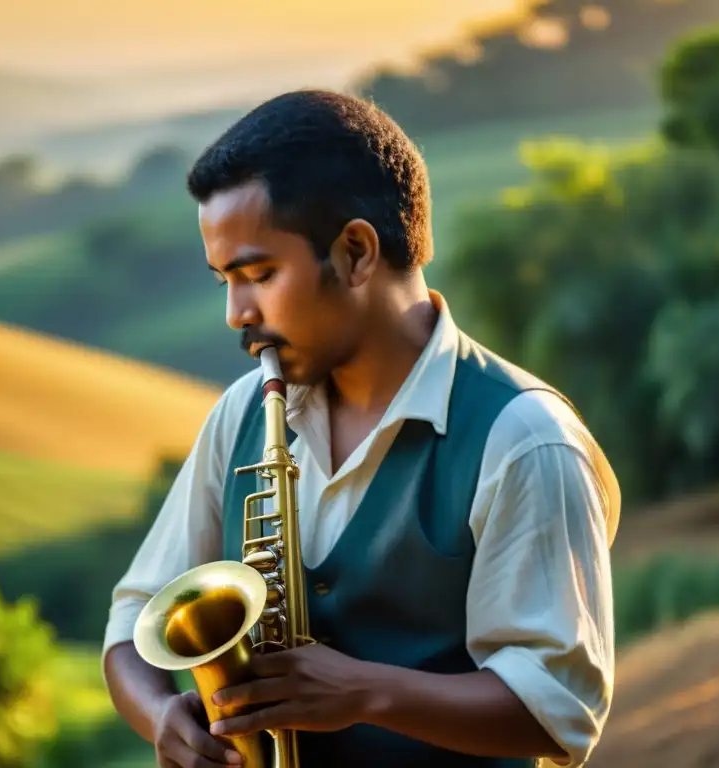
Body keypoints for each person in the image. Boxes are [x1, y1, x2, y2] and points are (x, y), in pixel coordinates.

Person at [102, 89, 621, 768]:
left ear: (355, 252)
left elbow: (561, 710)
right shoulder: (241, 414)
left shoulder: (524, 439)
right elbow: (130, 625)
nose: (236, 312)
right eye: (224, 280)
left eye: (258, 274)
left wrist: (365, 692)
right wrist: (163, 716)